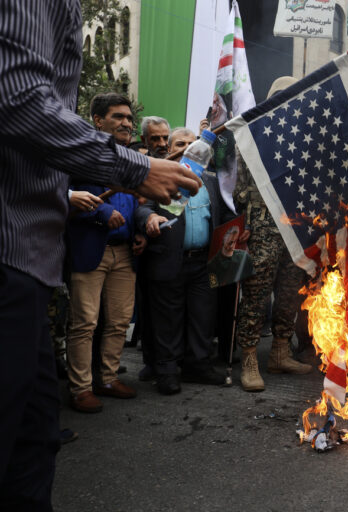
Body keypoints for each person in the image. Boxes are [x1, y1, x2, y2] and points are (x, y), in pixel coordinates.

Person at [0, 1, 199, 507]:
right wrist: (135, 169)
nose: (132, 130)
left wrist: (140, 206)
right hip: (12, 254)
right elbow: (19, 98)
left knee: (35, 439)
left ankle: (102, 379)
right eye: (124, 122)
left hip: (31, 259)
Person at [66, 93, 148, 413]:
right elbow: (63, 197)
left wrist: (139, 230)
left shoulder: (129, 157)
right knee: (85, 323)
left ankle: (108, 378)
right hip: (90, 250)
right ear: (98, 121)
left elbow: (135, 204)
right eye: (118, 117)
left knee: (118, 321)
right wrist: (101, 213)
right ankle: (81, 388)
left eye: (129, 118)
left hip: (125, 253)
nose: (127, 123)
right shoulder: (80, 154)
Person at [235, 76, 312, 393]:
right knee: (255, 294)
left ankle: (281, 350)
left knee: (290, 292)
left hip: (295, 229)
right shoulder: (253, 135)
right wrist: (247, 223)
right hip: (263, 226)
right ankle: (249, 359)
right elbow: (241, 188)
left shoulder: (304, 138)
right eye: (280, 97)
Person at [137, 157, 236, 395]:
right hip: (169, 259)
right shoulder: (160, 177)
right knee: (168, 320)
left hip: (204, 262)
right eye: (181, 146)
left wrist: (235, 230)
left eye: (193, 146)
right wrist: (149, 218)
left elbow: (224, 213)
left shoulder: (211, 182)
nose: (190, 152)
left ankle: (198, 365)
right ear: (172, 151)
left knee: (203, 316)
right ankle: (168, 371)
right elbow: (142, 207)